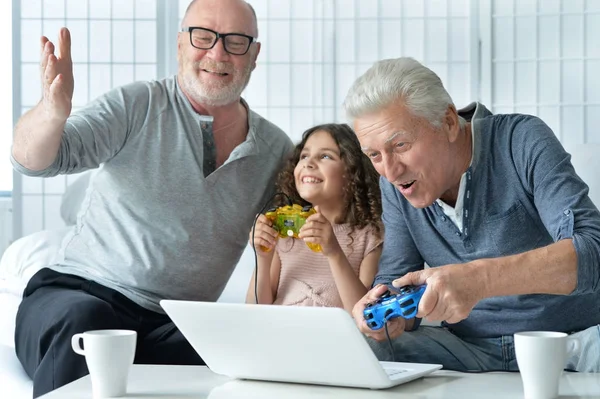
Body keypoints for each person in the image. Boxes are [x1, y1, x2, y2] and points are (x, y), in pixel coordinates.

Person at [10, 0, 293, 396]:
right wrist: (52, 112)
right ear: (180, 44)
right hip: (76, 296)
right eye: (203, 36)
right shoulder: (137, 105)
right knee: (89, 320)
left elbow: (295, 236)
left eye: (235, 41)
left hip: (172, 324)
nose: (217, 53)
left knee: (240, 353)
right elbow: (34, 162)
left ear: (254, 54)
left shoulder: (275, 149)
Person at [344, 57, 600, 372]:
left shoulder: (520, 139)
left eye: (400, 145)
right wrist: (388, 311)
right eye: (374, 155)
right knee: (359, 349)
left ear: (449, 122)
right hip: (467, 349)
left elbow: (592, 250)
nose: (391, 170)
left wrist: (477, 279)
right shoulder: (393, 182)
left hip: (567, 341)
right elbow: (396, 277)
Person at [246, 124, 383, 312]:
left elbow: (365, 314)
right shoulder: (285, 233)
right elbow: (254, 313)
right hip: (281, 336)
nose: (308, 163)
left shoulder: (370, 236)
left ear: (352, 171)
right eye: (304, 156)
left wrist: (334, 251)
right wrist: (262, 257)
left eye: (325, 156)